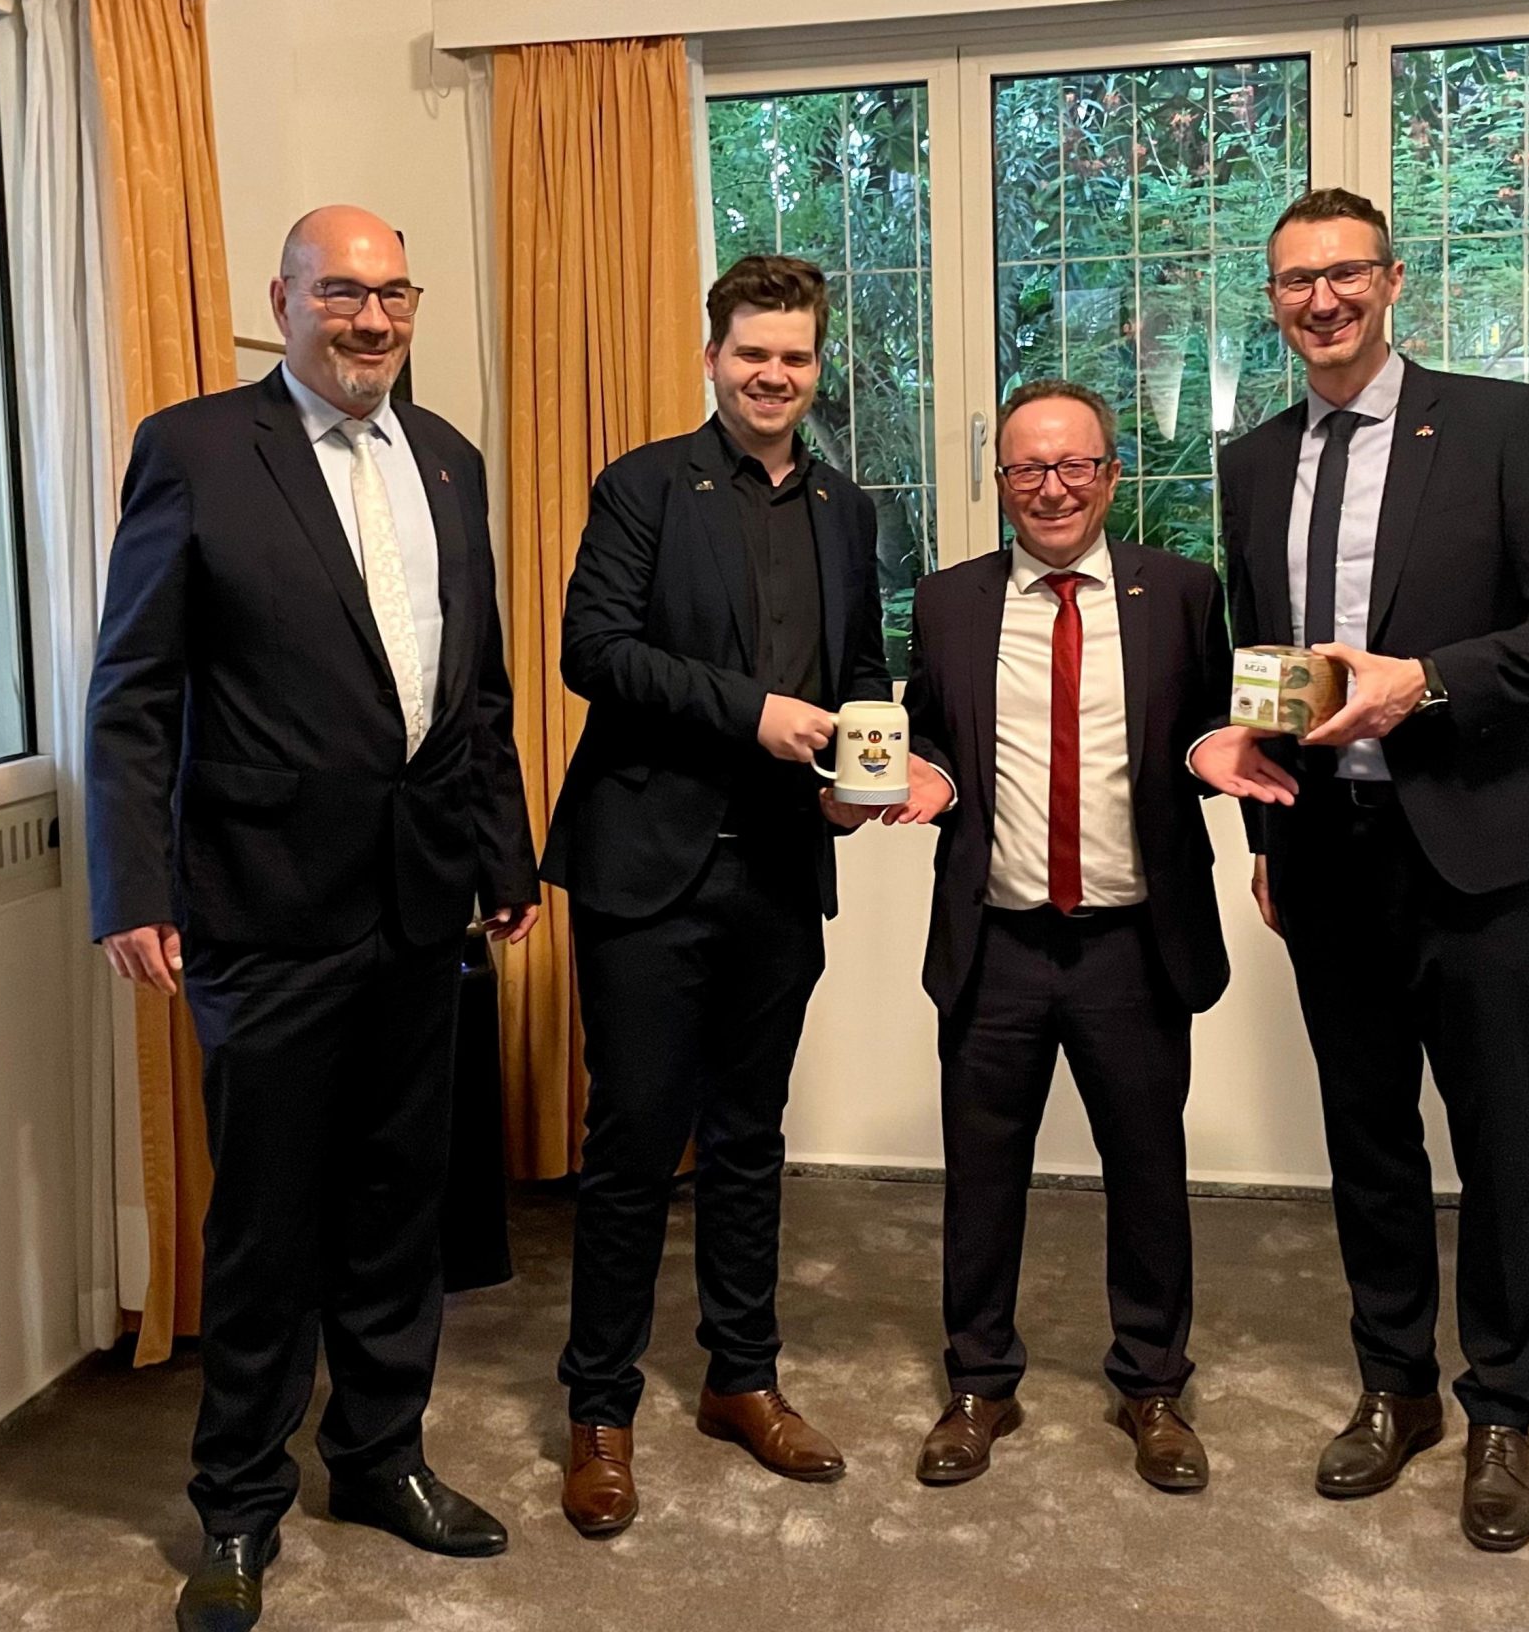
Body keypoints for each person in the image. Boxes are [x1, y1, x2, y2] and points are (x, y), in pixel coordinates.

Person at [87, 207, 540, 1632]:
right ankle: (237, 1505)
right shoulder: (196, 449)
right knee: (268, 1223)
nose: (370, 319)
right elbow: (135, 688)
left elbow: (476, 687)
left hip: (421, 900)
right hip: (261, 903)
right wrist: (132, 886)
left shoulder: (449, 456)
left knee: (400, 1205)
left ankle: (380, 1456)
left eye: (392, 293)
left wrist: (505, 855)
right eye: (340, 292)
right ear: (282, 301)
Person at [1206, 187, 1529, 1552]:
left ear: (1392, 283)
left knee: (1499, 1140)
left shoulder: (1501, 424)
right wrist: (1264, 839)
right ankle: (1395, 1387)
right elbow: (1263, 670)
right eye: (1295, 282)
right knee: (1367, 1137)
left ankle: (1503, 1406)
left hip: (1478, 849)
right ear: (1273, 303)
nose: (1320, 300)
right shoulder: (1251, 461)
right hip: (1327, 854)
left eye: (1344, 274)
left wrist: (1426, 683)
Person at [878, 379, 1294, 1494]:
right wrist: (923, 773)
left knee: (1148, 1172)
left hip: (1133, 942)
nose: (1052, 488)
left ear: (1111, 476)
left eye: (1074, 466)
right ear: (1001, 480)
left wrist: (1222, 770)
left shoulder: (1181, 593)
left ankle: (1152, 1385)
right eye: (1028, 468)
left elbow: (1214, 728)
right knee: (981, 1176)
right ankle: (979, 1382)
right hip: (995, 941)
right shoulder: (949, 601)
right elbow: (930, 735)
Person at [541, 253, 891, 1538]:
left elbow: (864, 670)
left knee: (750, 1138)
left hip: (782, 867)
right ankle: (599, 1409)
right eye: (752, 352)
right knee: (634, 1145)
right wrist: (754, 713)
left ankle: (741, 1378)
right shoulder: (642, 485)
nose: (773, 374)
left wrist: (860, 775)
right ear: (712, 357)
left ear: (817, 367)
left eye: (794, 355)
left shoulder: (846, 508)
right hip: (647, 866)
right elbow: (594, 651)